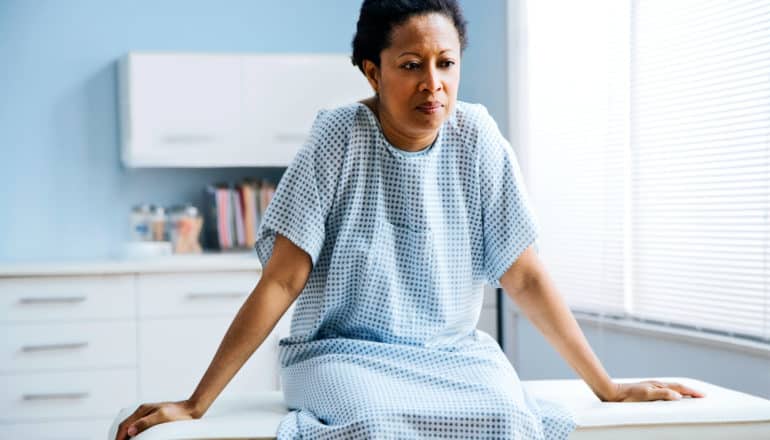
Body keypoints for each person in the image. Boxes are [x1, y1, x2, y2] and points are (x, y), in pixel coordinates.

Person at [115, 1, 705, 439]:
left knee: (506, 419)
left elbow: (522, 275)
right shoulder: (338, 137)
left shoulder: (477, 139)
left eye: (446, 63)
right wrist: (197, 404)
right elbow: (282, 280)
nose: (434, 84)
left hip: (453, 353)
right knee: (377, 425)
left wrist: (606, 386)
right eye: (410, 64)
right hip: (339, 354)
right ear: (372, 71)